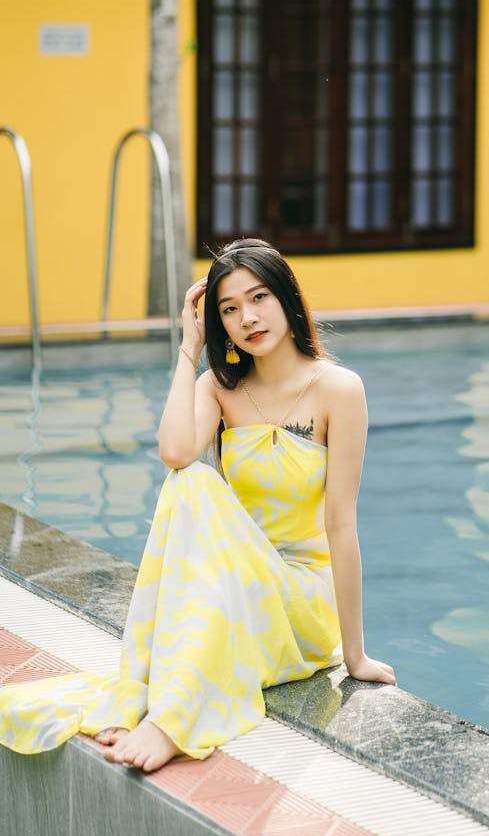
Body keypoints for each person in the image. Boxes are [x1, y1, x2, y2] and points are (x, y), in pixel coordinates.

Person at [0, 238, 396, 772]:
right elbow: (175, 452)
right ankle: (150, 693)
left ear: (286, 298)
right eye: (229, 309)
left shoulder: (339, 390)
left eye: (258, 298)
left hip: (300, 600)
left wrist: (355, 656)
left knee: (200, 488)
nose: (247, 318)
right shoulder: (221, 388)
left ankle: (172, 721)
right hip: (236, 585)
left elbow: (341, 525)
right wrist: (189, 350)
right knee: (191, 481)